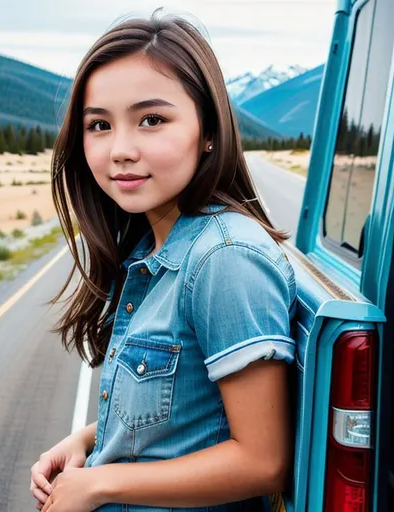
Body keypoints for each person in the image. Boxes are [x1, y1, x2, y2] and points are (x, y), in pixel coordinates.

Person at [30, 9, 298, 512]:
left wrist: (99, 485)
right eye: (100, 125)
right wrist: (86, 443)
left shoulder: (224, 258)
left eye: (152, 120)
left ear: (209, 131)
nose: (120, 150)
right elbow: (181, 407)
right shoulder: (154, 242)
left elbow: (263, 461)